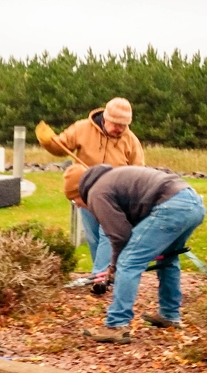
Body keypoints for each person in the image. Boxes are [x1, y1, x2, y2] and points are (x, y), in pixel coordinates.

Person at [64, 163, 206, 344]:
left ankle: (116, 325)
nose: (77, 206)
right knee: (167, 259)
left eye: (74, 200)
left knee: (129, 262)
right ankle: (170, 314)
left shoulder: (96, 193)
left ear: (79, 192)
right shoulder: (111, 180)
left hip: (171, 207)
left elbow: (119, 236)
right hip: (193, 202)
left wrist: (114, 266)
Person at [40, 98, 144, 283]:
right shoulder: (82, 128)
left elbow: (139, 172)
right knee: (94, 236)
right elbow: (60, 146)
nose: (119, 129)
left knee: (108, 235)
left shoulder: (131, 141)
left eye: (124, 125)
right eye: (116, 124)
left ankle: (99, 277)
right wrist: (48, 142)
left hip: (115, 197)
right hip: (85, 193)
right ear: (105, 117)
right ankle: (105, 276)